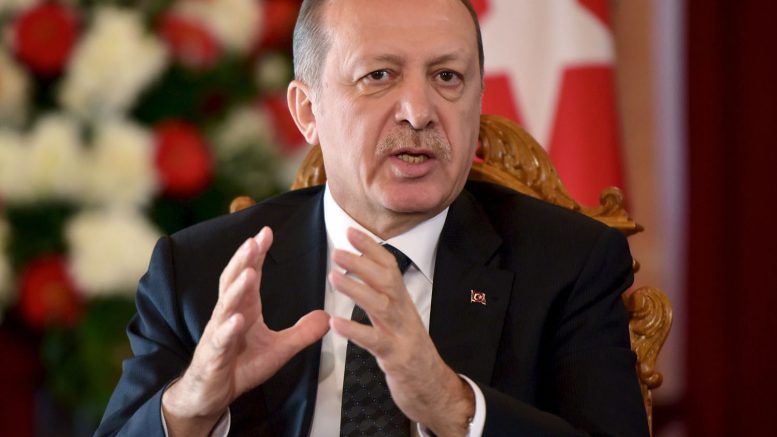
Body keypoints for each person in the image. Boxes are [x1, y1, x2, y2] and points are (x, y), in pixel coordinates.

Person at [96, 0, 649, 435]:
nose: (419, 110)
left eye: (448, 77)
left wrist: (454, 407)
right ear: (308, 111)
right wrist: (192, 405)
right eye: (380, 75)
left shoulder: (568, 265)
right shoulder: (199, 270)